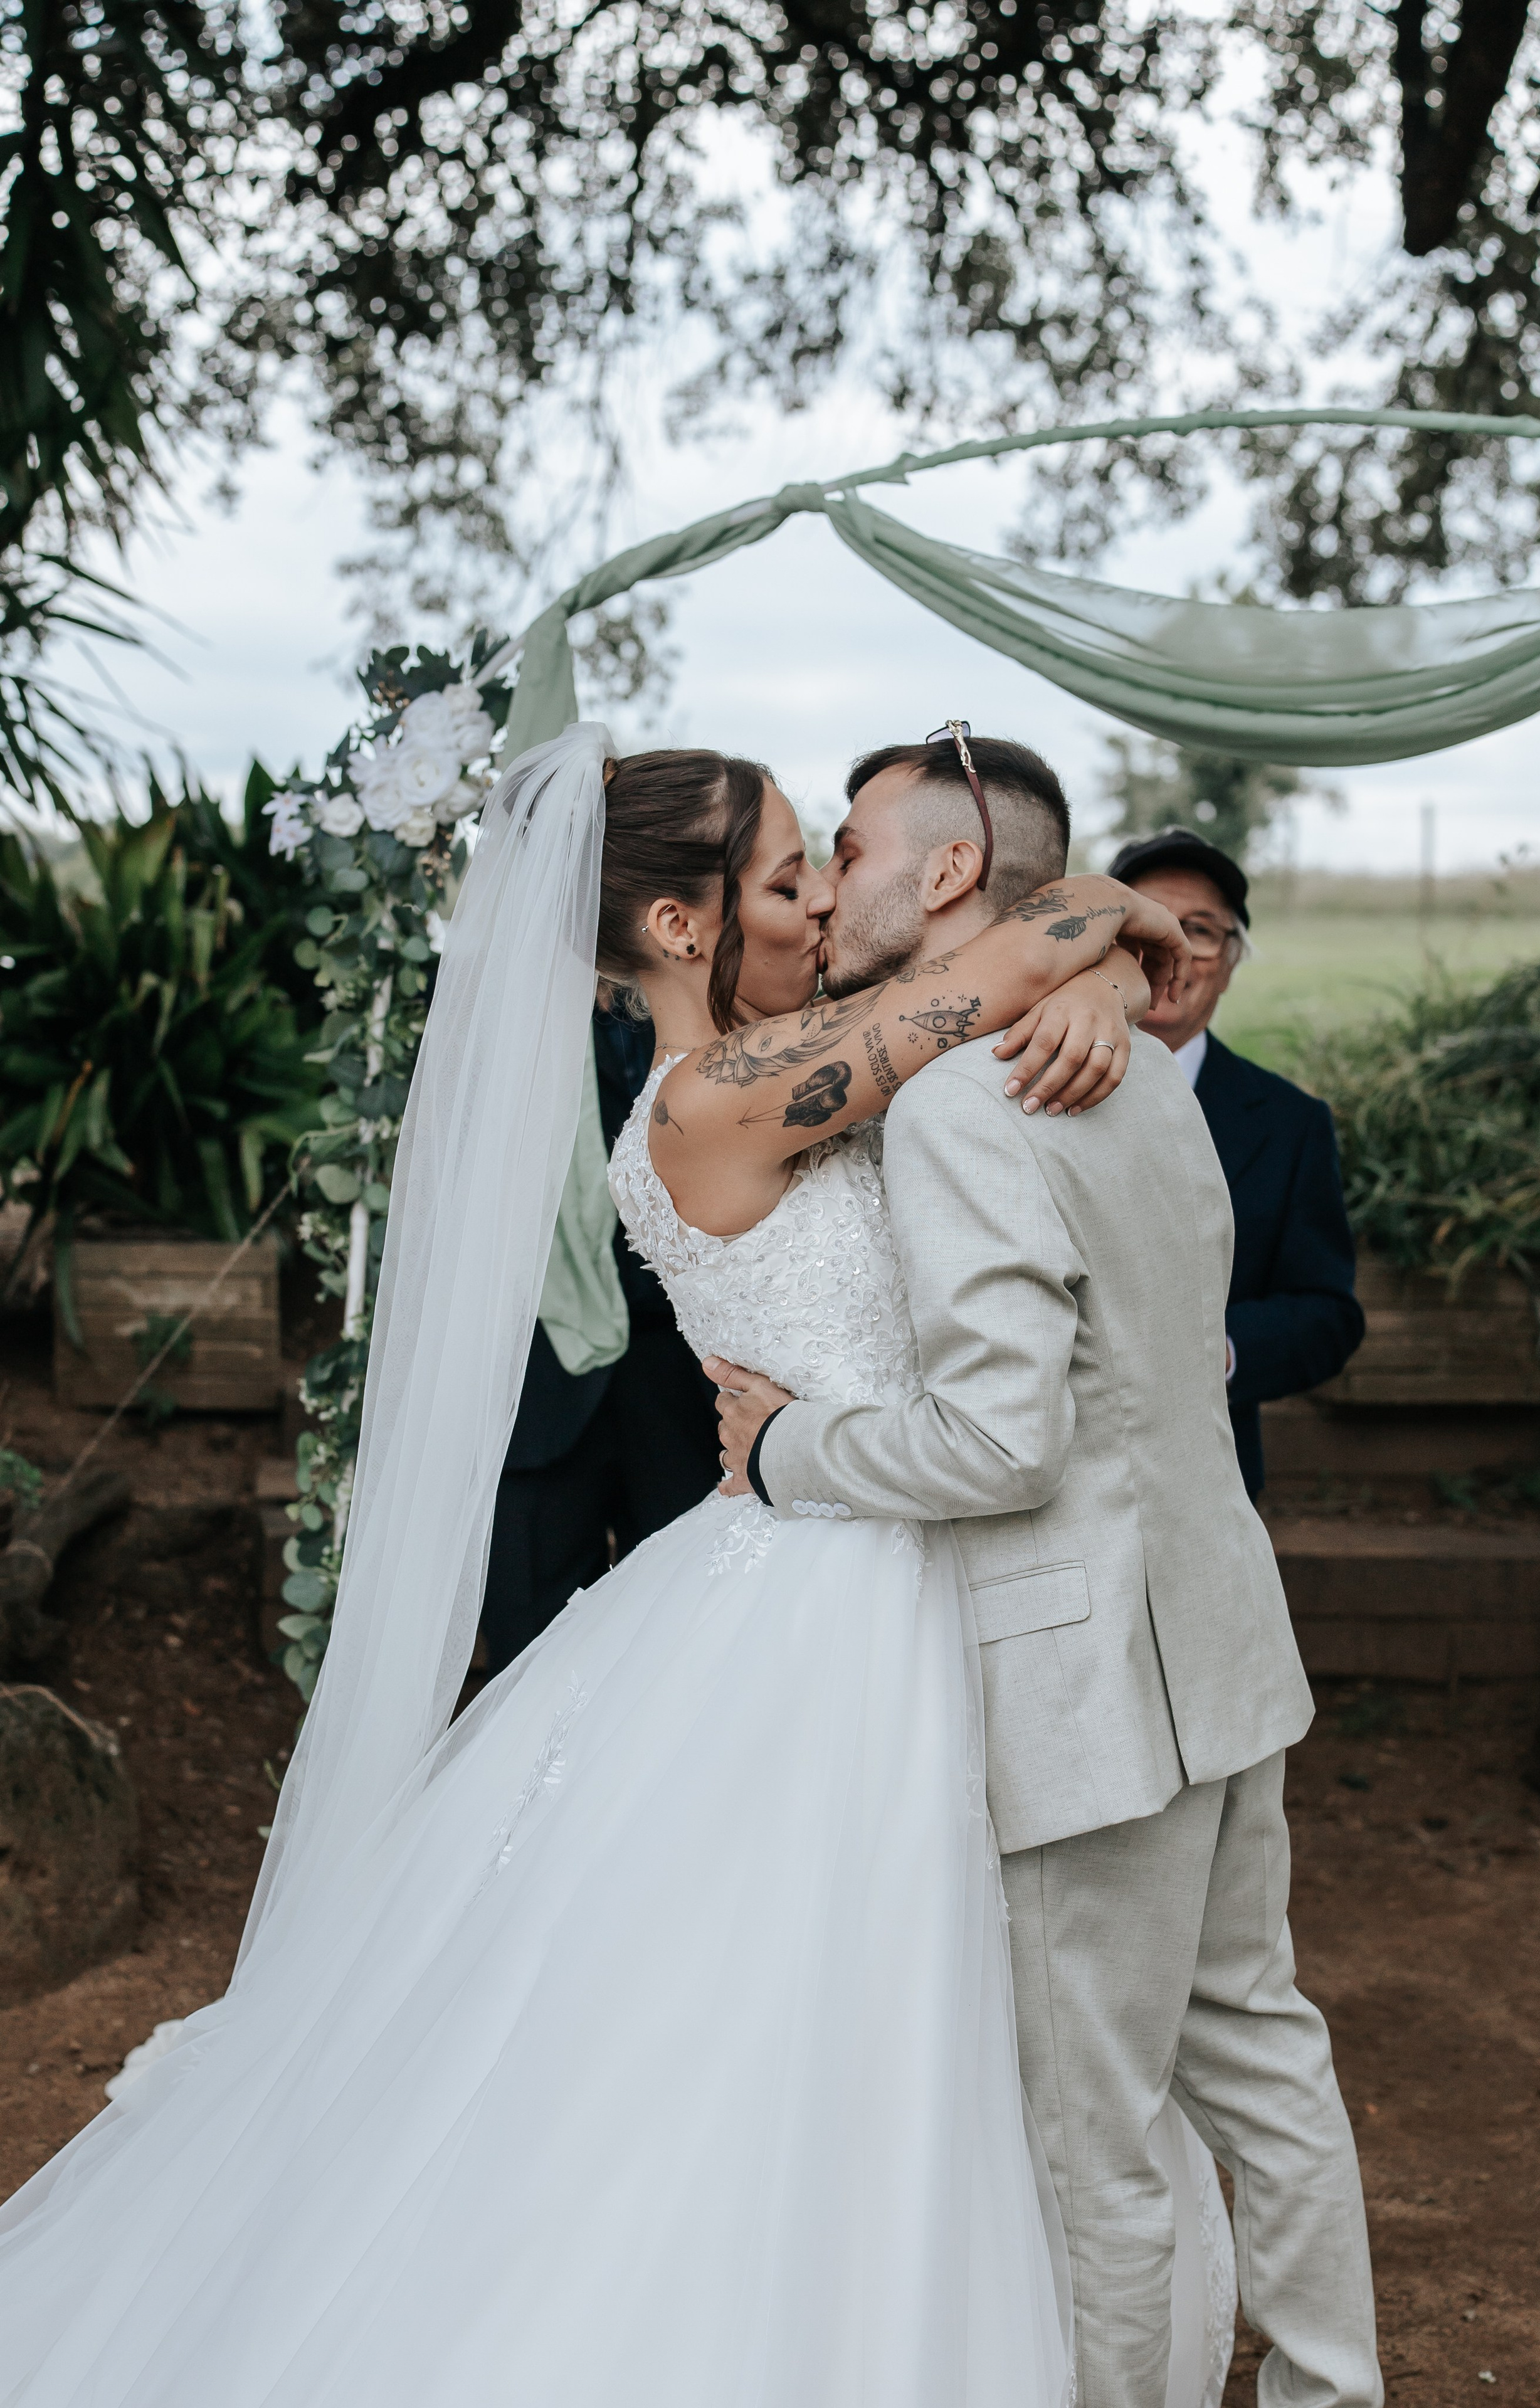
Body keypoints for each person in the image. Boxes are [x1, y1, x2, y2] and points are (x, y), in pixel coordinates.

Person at [0, 725, 1221, 2408]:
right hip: (829, 1588)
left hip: (901, 1543)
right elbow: (1008, 944)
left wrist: (1093, 977)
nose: (814, 901)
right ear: (676, 926)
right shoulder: (715, 1104)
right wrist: (1087, 940)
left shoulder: (805, 1048)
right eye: (787, 876)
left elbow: (1010, 959)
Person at [713, 734, 1384, 2408]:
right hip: (1221, 1640)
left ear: (945, 874)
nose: (834, 879)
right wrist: (1089, 936)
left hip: (1092, 1692)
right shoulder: (1139, 1062)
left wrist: (788, 1449)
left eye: (854, 846)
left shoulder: (964, 1096)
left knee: (1096, 2148)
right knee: (1266, 2062)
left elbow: (999, 1443)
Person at [1105, 826, 1364, 1499]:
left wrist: (1212, 1350)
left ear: (1232, 959)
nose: (1171, 949)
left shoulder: (1289, 1124)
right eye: (1147, 922)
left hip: (1204, 1480)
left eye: (1200, 929)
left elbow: (1326, 1314)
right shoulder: (1024, 1081)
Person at [479, 992, 724, 1677]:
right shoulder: (498, 997)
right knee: (530, 1664)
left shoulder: (708, 989)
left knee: (689, 1649)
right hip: (538, 1375)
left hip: (683, 1373)